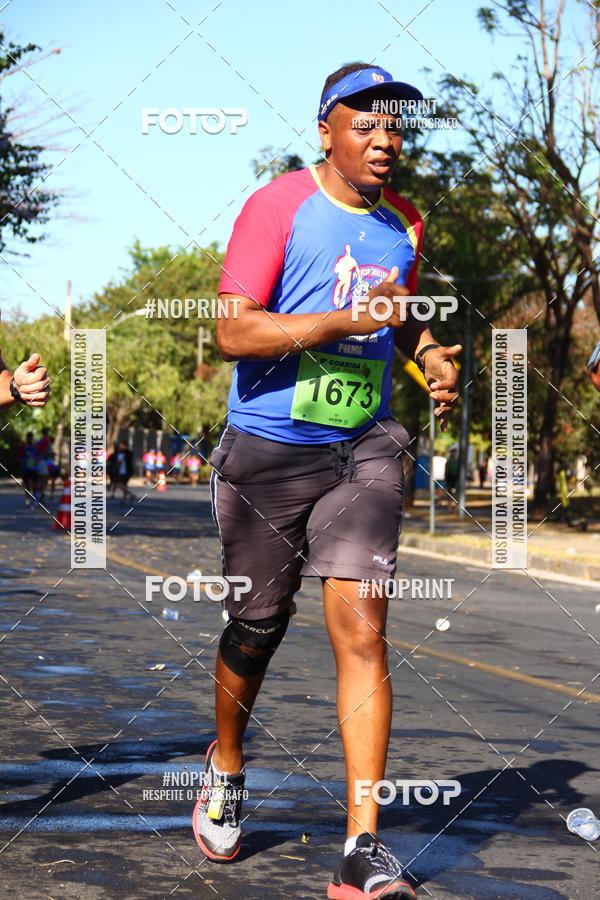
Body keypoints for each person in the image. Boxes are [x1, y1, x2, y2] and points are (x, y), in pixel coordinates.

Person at [193, 62, 460, 900]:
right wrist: (341, 322)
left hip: (366, 445)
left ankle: (362, 847)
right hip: (269, 450)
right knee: (257, 627)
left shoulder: (406, 222)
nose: (386, 142)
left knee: (365, 629)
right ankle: (227, 763)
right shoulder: (278, 207)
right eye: (366, 126)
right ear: (326, 130)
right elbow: (232, 333)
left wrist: (426, 358)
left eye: (396, 129)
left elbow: (401, 307)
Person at [18, 432, 39, 507]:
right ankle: (27, 500)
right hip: (25, 468)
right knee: (26, 485)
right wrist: (24, 461)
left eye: (31, 437)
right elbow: (19, 457)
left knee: (34, 484)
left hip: (34, 469)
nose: (30, 439)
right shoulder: (23, 447)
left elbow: (38, 457)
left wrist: (35, 461)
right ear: (27, 438)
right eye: (29, 437)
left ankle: (35, 498)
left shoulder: (35, 447)